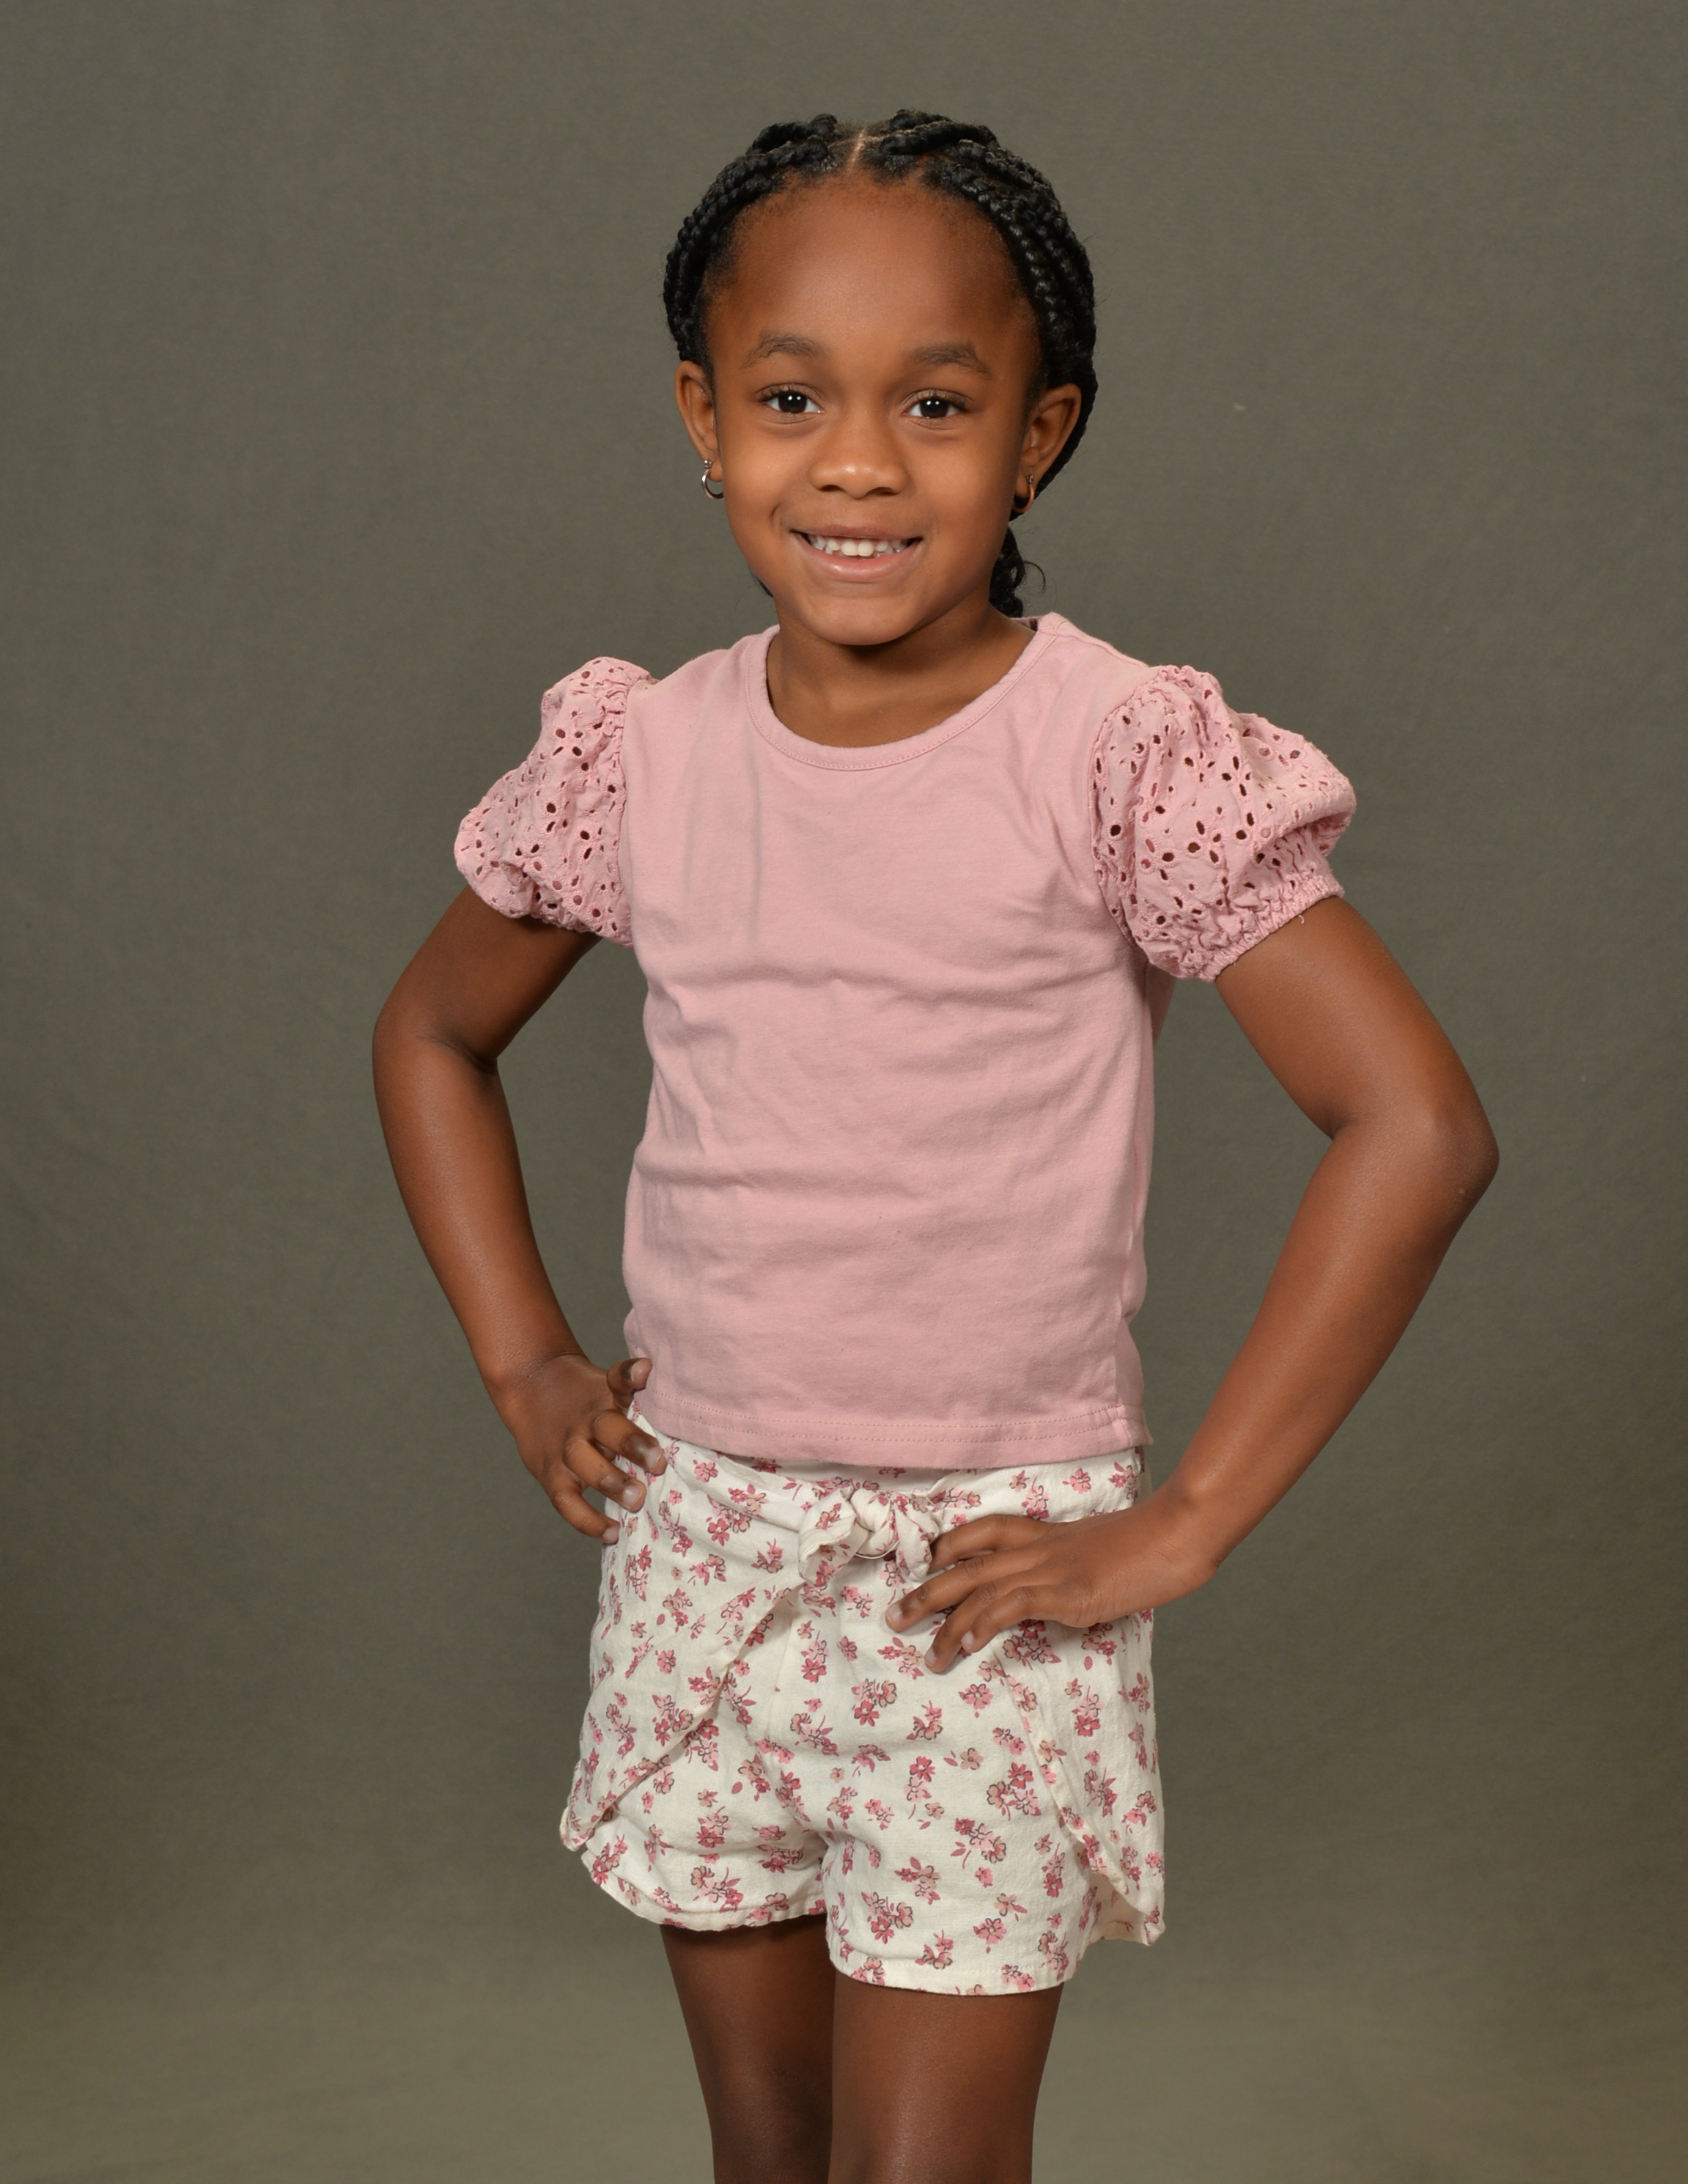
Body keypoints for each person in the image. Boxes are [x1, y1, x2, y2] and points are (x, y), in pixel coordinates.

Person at [373, 111, 1497, 2184]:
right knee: (771, 2154)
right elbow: (433, 1031)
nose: (861, 465)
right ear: (705, 419)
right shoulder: (647, 753)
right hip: (707, 1550)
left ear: (1040, 434)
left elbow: (1415, 1125)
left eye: (940, 404)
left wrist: (1187, 1519)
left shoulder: (1117, 754)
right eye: (794, 398)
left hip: (985, 1584)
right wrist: (525, 1360)